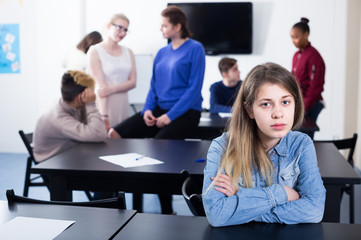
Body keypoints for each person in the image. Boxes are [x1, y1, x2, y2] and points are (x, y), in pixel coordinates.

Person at [202, 62, 326, 227]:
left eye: (285, 102)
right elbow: (217, 214)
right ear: (250, 110)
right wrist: (281, 193)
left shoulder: (302, 144)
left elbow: (314, 209)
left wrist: (242, 198)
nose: (278, 114)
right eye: (266, 104)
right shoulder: (221, 147)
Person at [108, 6, 206, 214]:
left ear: (178, 26)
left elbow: (194, 89)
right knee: (114, 133)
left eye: (164, 25)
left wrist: (170, 116)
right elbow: (153, 86)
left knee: (158, 149)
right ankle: (113, 193)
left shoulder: (195, 48)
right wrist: (147, 110)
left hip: (186, 112)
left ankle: (167, 209)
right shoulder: (162, 52)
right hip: (159, 108)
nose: (161, 29)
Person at [33, 70, 108, 163]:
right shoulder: (59, 118)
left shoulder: (69, 105)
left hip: (68, 153)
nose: (92, 96)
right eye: (90, 93)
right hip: (52, 162)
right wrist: (90, 104)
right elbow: (99, 134)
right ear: (80, 97)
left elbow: (94, 131)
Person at [88, 13, 137, 130]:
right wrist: (104, 115)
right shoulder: (95, 51)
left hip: (123, 104)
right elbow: (101, 88)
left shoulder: (128, 52)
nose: (123, 33)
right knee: (105, 141)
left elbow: (133, 82)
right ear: (109, 26)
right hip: (103, 106)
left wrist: (110, 89)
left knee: (122, 141)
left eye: (126, 30)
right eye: (120, 28)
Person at [290, 17, 325, 138]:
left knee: (306, 139)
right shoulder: (296, 55)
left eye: (296, 37)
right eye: (292, 38)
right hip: (300, 102)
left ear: (306, 34)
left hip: (311, 104)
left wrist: (303, 107)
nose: (293, 41)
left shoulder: (314, 56)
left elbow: (315, 87)